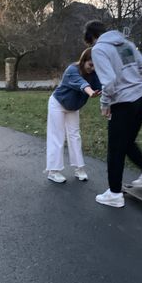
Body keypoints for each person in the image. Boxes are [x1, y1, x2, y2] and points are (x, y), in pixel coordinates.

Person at [83, 20, 142, 208]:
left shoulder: (99, 49)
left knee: (115, 149)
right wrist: (141, 89)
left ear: (92, 38)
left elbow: (109, 81)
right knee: (127, 142)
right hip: (141, 99)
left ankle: (114, 194)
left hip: (124, 102)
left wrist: (105, 103)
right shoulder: (125, 44)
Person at [46, 48, 101, 183]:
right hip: (58, 104)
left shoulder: (94, 74)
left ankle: (79, 168)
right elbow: (82, 84)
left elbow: (103, 86)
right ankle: (53, 171)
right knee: (57, 136)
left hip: (73, 107)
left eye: (95, 66)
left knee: (75, 136)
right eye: (90, 65)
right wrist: (90, 93)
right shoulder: (72, 70)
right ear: (83, 61)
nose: (92, 69)